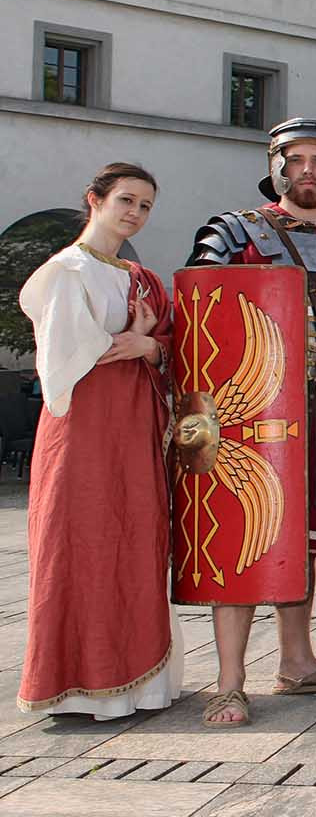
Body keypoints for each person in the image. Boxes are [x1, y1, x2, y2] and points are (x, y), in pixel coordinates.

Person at [188, 119, 316, 726]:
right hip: (248, 416)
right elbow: (200, 304)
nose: (309, 170)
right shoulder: (234, 233)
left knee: (304, 533)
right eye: (296, 158)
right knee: (240, 535)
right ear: (277, 166)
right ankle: (229, 680)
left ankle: (297, 662)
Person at [17, 163, 183, 719]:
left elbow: (168, 346)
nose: (135, 213)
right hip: (83, 429)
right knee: (81, 539)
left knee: (135, 536)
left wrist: (149, 346)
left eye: (145, 205)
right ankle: (80, 681)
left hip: (136, 426)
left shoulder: (144, 279)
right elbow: (65, 355)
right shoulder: (67, 271)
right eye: (126, 201)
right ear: (95, 199)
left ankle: (140, 683)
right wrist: (134, 338)